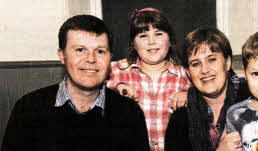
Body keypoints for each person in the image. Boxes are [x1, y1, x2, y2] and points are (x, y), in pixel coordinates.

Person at [1, 15, 149, 151]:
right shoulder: (28, 108)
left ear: (110, 57)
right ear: (62, 56)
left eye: (100, 51)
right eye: (80, 50)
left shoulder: (129, 113)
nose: (90, 59)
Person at [106, 8, 190, 151]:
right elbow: (88, 84)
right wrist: (115, 86)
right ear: (133, 43)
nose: (152, 41)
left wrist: (190, 95)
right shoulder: (116, 70)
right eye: (143, 36)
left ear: (170, 41)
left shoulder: (185, 75)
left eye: (158, 34)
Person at [165, 27, 243, 151]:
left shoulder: (254, 104)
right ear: (188, 73)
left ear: (227, 63)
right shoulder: (180, 119)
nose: (205, 70)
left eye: (211, 59)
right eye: (195, 64)